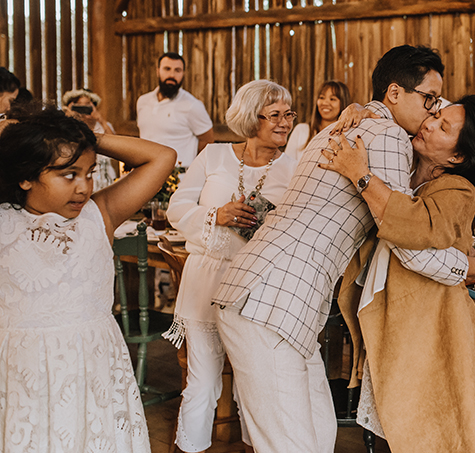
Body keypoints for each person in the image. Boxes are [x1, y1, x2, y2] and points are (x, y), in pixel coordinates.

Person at [212, 45, 475, 453]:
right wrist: (465, 267)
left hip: (282, 302)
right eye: (428, 99)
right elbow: (405, 239)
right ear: (394, 93)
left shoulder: (344, 125)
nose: (430, 112)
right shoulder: (387, 134)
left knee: (319, 437)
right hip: (270, 303)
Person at [324, 95, 475, 453]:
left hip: (432, 331)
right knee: (397, 427)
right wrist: (362, 109)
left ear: (457, 157)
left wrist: (360, 175)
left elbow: (416, 233)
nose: (430, 122)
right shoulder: (401, 162)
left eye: (443, 127)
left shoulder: (458, 190)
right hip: (396, 324)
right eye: (434, 115)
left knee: (427, 431)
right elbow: (407, 104)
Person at [0, 103, 177, 452]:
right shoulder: (5, 221)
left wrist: (83, 138)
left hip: (93, 364)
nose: (83, 187)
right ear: (26, 176)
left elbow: (163, 157)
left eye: (90, 172)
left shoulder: (99, 215)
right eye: (68, 174)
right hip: (21, 368)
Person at [164, 80, 297, 453]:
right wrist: (216, 215)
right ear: (250, 117)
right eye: (275, 115)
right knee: (203, 381)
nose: (285, 122)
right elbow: (177, 210)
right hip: (205, 280)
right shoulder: (213, 156)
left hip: (258, 289)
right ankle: (189, 449)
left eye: (289, 114)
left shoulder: (295, 169)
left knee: (255, 383)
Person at [137, 52, 214, 168]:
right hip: (144, 174)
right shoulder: (142, 101)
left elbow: (208, 140)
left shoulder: (192, 105)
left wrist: (193, 170)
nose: (172, 75)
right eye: (167, 69)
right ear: (158, 71)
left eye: (177, 70)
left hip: (179, 179)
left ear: (183, 74)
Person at [62, 88, 118, 191]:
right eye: (78, 105)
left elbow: (116, 145)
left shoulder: (103, 125)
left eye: (87, 104)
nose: (83, 108)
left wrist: (100, 119)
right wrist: (69, 118)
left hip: (104, 173)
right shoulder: (70, 126)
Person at [286, 80, 351, 159]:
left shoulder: (347, 135)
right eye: (321, 98)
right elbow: (287, 164)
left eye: (332, 99)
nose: (325, 103)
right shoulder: (302, 130)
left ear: (343, 103)